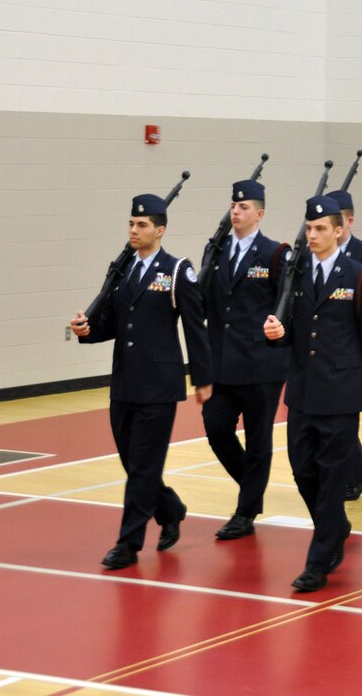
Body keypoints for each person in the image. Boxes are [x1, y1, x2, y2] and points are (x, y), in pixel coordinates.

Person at [70, 193, 212, 570]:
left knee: (144, 468)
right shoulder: (123, 271)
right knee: (134, 464)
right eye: (131, 224)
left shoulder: (177, 270)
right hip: (125, 383)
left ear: (160, 230)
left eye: (142, 225)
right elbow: (116, 325)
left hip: (159, 385)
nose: (134, 230)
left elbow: (196, 328)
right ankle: (171, 509)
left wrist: (202, 378)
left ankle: (128, 544)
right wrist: (87, 331)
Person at [263, 195, 362, 592]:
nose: (312, 235)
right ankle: (334, 528)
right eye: (309, 228)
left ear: (339, 230)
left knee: (333, 478)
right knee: (303, 470)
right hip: (302, 390)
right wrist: (276, 336)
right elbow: (289, 330)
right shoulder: (295, 274)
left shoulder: (358, 275)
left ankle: (318, 563)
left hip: (340, 391)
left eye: (320, 229)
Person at [201, 180, 290, 541]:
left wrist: (281, 330)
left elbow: (287, 303)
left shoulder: (274, 253)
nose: (236, 211)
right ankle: (252, 487)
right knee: (216, 429)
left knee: (258, 439)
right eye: (233, 206)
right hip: (221, 363)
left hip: (260, 364)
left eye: (244, 207)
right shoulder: (216, 251)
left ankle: (246, 509)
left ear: (259, 213)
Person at [327, 188, 362, 502]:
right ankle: (358, 475)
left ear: (349, 221)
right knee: (336, 418)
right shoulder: (317, 253)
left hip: (356, 348)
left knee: (342, 418)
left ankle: (356, 476)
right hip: (330, 349)